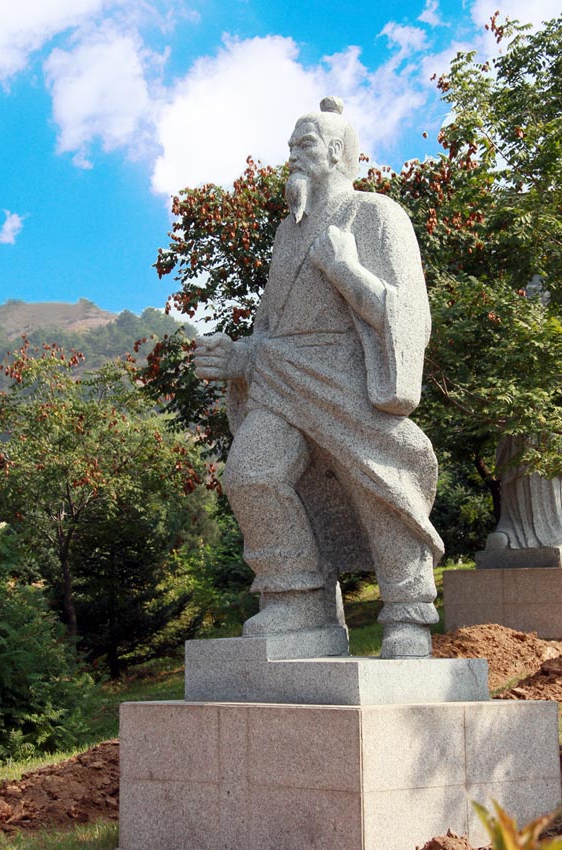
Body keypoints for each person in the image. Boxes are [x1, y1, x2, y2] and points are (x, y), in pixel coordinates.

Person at [195, 97, 444, 658]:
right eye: (289, 146)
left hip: (347, 376)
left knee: (381, 486)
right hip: (280, 380)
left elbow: (409, 315)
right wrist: (238, 356)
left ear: (335, 152)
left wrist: (345, 270)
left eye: (303, 144)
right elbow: (272, 328)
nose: (291, 156)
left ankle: (407, 612)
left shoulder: (377, 214)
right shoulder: (287, 235)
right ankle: (298, 600)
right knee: (250, 476)